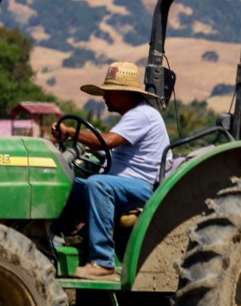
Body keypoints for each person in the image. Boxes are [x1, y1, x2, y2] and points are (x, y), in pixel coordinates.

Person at [50, 61, 169, 280]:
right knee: (70, 184)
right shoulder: (132, 116)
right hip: (125, 185)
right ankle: (52, 240)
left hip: (145, 188)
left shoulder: (142, 115)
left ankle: (103, 262)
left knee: (99, 184)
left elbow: (107, 141)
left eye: (110, 92)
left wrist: (70, 131)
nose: (105, 97)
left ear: (128, 94)